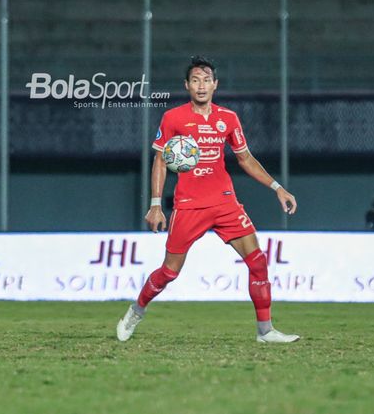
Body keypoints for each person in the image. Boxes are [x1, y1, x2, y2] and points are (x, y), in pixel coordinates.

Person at [116, 56, 300, 343]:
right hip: (189, 205)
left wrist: (277, 187)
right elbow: (161, 162)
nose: (201, 86)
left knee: (258, 261)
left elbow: (245, 158)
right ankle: (136, 311)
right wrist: (155, 204)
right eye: (195, 80)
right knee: (169, 272)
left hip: (225, 203)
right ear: (187, 85)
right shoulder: (173, 118)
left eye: (206, 80)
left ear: (215, 85)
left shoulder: (228, 118)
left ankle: (265, 331)